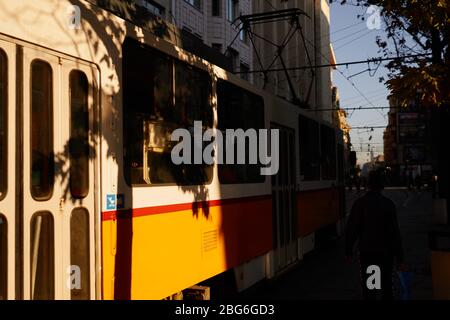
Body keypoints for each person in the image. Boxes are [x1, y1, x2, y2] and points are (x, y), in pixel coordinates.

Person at [345, 170, 405, 300]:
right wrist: (400, 258)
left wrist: (348, 250)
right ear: (382, 185)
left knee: (371, 288)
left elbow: (352, 229)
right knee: (387, 287)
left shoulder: (360, 204)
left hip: (368, 252)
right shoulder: (388, 204)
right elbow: (395, 233)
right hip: (386, 253)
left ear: (368, 184)